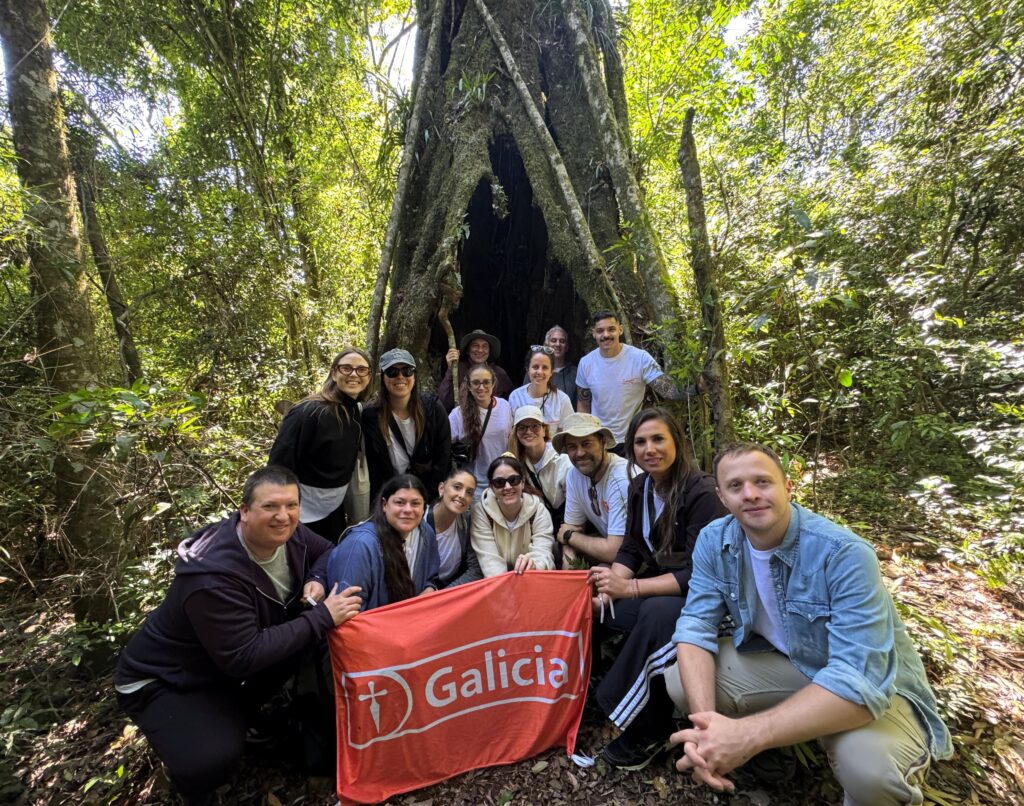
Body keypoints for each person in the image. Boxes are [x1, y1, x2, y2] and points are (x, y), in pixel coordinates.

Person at [606, 443, 954, 806]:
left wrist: (748, 735)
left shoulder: (843, 554)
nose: (751, 494)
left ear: (788, 487)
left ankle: (783, 741)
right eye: (736, 486)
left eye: (763, 482)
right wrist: (706, 729)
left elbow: (860, 681)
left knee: (870, 774)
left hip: (876, 687)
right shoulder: (716, 539)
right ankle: (764, 745)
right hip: (795, 664)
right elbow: (695, 627)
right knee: (682, 676)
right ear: (722, 497)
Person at [115, 466, 363, 805]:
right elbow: (243, 656)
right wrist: (321, 617)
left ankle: (241, 717)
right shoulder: (212, 574)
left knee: (295, 645)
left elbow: (328, 551)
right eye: (270, 507)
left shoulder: (292, 536)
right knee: (212, 759)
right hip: (162, 679)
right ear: (244, 511)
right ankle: (193, 780)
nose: (283, 516)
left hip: (219, 668)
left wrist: (317, 577)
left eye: (292, 506)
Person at [589, 408, 726, 756]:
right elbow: (632, 546)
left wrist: (631, 588)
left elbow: (700, 575)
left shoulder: (702, 493)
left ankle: (648, 728)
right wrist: (610, 588)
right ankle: (586, 697)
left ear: (677, 441)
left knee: (657, 615)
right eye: (640, 442)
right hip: (660, 584)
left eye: (658, 439)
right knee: (594, 612)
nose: (650, 449)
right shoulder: (640, 486)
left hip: (708, 597)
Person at [269, 347, 373, 541]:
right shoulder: (308, 412)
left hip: (333, 510)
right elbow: (278, 466)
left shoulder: (356, 411)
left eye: (361, 370)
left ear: (368, 376)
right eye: (346, 368)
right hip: (301, 514)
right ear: (334, 373)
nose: (354, 374)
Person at [327, 475, 439, 611]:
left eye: (415, 503)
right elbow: (348, 613)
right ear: (384, 505)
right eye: (400, 502)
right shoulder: (360, 545)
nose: (408, 510)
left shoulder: (425, 533)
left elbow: (431, 578)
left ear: (424, 508)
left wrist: (429, 590)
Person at [576, 311, 684, 451]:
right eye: (600, 331)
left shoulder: (639, 358)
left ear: (620, 330)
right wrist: (586, 436)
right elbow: (583, 403)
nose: (606, 335)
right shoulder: (586, 363)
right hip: (599, 439)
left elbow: (668, 390)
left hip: (632, 439)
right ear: (594, 334)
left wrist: (697, 388)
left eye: (611, 329)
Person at [362, 348, 451, 501]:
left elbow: (443, 457)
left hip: (428, 493)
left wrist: (425, 498)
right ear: (382, 378)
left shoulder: (433, 408)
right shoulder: (371, 416)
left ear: (414, 376)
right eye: (392, 372)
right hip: (390, 496)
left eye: (407, 371)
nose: (400, 377)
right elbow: (373, 467)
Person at [552, 413, 630, 566]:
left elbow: (615, 551)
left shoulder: (621, 479)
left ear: (603, 443)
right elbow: (572, 526)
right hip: (613, 546)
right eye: (572, 447)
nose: (580, 453)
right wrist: (570, 566)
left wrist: (569, 536)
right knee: (555, 549)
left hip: (643, 557)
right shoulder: (574, 475)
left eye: (586, 444)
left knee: (602, 573)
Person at [471, 454, 556, 576]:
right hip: (498, 582)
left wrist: (534, 565)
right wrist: (507, 590)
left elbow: (543, 553)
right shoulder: (481, 512)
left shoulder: (538, 510)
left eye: (513, 480)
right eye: (499, 482)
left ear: (522, 482)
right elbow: (489, 562)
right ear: (491, 487)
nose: (507, 487)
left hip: (531, 577)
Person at [448, 363, 513, 498]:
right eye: (476, 383)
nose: (481, 387)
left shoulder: (504, 406)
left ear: (493, 383)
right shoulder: (458, 414)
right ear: (469, 386)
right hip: (475, 486)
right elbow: (443, 445)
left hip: (503, 482)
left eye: (486, 382)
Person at [507, 404, 571, 529]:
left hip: (563, 523)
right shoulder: (514, 464)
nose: (529, 432)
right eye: (522, 427)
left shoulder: (562, 462)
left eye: (535, 426)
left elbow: (574, 504)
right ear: (516, 432)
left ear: (544, 430)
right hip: (534, 525)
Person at [427, 465, 483, 588]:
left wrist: (443, 596)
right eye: (457, 487)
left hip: (447, 591)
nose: (462, 495)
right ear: (441, 488)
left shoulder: (468, 522)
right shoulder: (419, 520)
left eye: (469, 492)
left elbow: (475, 570)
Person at [436, 329, 514, 410]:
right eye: (475, 346)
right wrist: (450, 370)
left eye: (484, 346)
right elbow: (443, 402)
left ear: (489, 351)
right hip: (464, 418)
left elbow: (510, 402)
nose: (480, 350)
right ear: (467, 350)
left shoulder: (499, 373)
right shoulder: (459, 369)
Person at [509, 345, 574, 429]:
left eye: (545, 368)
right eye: (535, 367)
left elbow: (569, 431)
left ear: (551, 372)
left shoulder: (562, 399)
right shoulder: (516, 397)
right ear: (527, 370)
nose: (539, 372)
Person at [523, 325, 578, 407]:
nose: (558, 344)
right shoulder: (534, 372)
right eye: (553, 340)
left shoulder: (575, 373)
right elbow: (524, 399)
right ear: (546, 345)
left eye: (562, 341)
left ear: (567, 347)